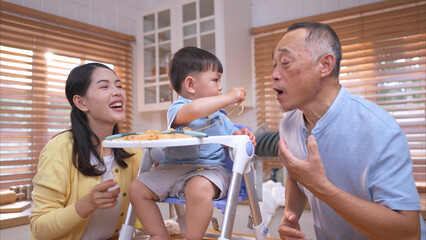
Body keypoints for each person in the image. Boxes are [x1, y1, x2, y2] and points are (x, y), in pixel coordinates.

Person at [272, 22, 425, 240]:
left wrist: (321, 187)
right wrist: (290, 216)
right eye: (274, 64)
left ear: (325, 65)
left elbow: (408, 233)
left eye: (285, 62)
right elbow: (296, 174)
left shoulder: (379, 128)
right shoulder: (288, 124)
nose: (274, 74)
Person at [129, 46, 256, 240]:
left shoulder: (221, 117)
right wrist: (228, 98)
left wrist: (241, 133)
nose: (220, 87)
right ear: (191, 85)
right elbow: (192, 111)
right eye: (215, 80)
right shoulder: (177, 109)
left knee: (198, 187)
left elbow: (232, 137)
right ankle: (158, 234)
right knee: (137, 188)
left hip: (210, 171)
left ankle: (193, 238)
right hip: (172, 169)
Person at [30, 63, 142, 240]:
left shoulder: (131, 149)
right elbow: (39, 228)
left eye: (119, 86)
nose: (117, 92)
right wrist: (88, 203)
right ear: (81, 102)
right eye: (104, 86)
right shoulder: (58, 150)